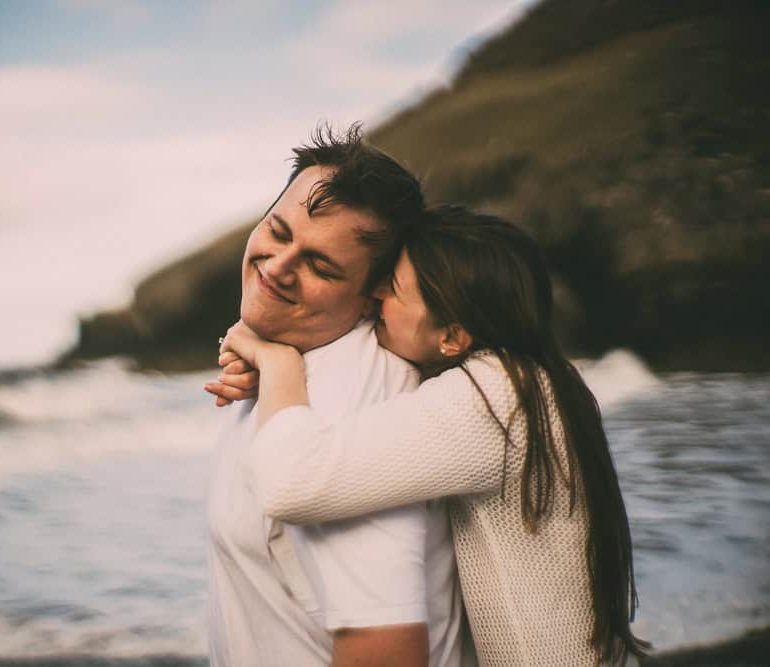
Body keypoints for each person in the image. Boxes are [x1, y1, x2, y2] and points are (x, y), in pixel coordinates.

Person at [218, 205, 650, 666]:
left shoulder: (494, 397)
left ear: (453, 337)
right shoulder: (534, 382)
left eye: (395, 288)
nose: (375, 295)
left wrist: (277, 360)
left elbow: (294, 483)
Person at [204, 128, 474, 666]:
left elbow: (386, 652)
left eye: (320, 266)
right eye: (277, 232)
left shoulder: (356, 405)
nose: (278, 266)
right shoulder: (294, 365)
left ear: (373, 295)